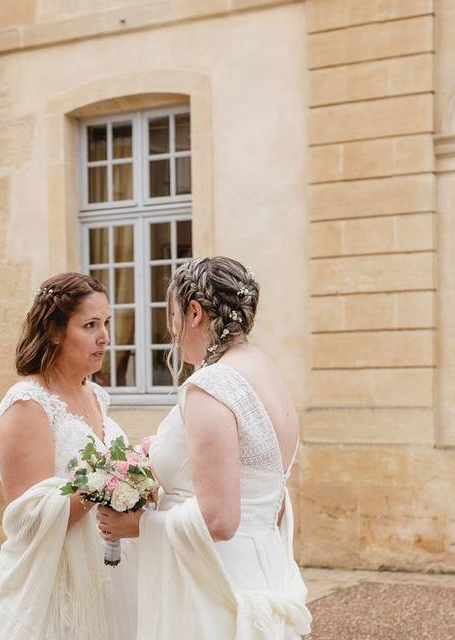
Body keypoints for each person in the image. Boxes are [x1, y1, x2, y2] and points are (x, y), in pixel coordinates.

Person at [96, 256, 312, 639]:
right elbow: (268, 496)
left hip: (212, 582)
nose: (173, 330)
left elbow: (220, 520)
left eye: (174, 316)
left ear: (194, 312)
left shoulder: (213, 385)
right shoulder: (265, 371)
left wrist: (138, 524)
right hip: (263, 568)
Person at [0, 272, 135, 640]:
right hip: (52, 584)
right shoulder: (28, 405)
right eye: (90, 325)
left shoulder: (96, 395)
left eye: (107, 324)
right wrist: (109, 481)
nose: (105, 337)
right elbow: (29, 519)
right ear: (54, 331)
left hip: (106, 570)